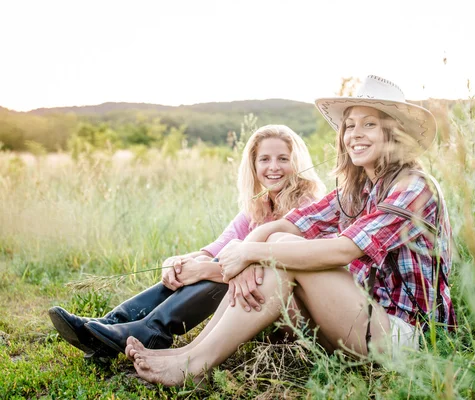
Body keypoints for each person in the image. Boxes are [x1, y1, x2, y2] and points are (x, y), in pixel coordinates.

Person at [126, 75, 456, 387]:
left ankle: (194, 364)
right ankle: (190, 355)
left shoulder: (415, 187)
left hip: (407, 340)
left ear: (394, 133)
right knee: (279, 241)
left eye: (370, 124)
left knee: (283, 251)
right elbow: (288, 224)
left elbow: (344, 250)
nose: (355, 133)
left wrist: (251, 252)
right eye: (350, 125)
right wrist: (247, 253)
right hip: (361, 322)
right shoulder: (357, 190)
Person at [48, 124, 326, 357]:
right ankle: (110, 325)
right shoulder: (258, 206)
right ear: (253, 166)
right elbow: (216, 248)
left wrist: (206, 268)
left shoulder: (307, 205)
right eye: (264, 159)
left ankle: (153, 330)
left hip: (298, 315)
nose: (273, 167)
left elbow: (275, 271)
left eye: (283, 159)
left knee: (219, 267)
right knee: (213, 260)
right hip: (259, 305)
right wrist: (180, 261)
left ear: (297, 163)